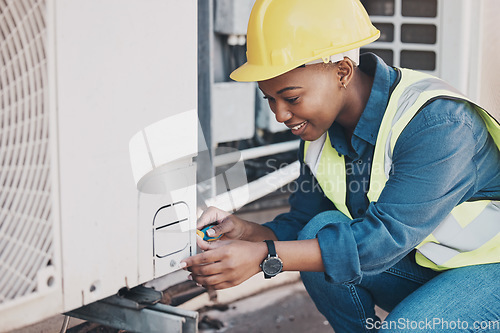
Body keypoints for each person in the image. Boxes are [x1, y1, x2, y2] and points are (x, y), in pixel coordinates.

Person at [181, 0, 500, 331]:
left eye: (290, 98)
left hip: (491, 269)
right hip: (425, 266)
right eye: (270, 99)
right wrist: (246, 233)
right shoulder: (320, 130)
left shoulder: (438, 125)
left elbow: (384, 238)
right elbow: (304, 223)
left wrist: (264, 256)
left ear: (343, 72)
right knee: (318, 230)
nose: (280, 115)